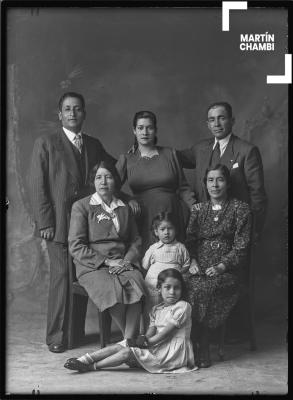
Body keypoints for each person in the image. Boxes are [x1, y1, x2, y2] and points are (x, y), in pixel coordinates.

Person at [28, 92, 117, 353]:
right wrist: (45, 221)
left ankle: (74, 334)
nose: (72, 113)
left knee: (81, 274)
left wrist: (134, 152)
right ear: (59, 114)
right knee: (62, 277)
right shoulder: (46, 142)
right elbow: (37, 185)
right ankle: (57, 336)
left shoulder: (93, 144)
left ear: (84, 113)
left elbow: (113, 169)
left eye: (77, 109)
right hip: (57, 223)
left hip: (86, 223)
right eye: (67, 109)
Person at [68, 161, 146, 341]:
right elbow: (76, 245)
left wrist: (127, 260)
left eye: (108, 177)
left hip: (122, 261)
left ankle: (127, 344)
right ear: (93, 182)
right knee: (112, 290)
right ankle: (131, 344)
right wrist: (108, 262)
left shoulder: (123, 207)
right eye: (98, 178)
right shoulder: (82, 206)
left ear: (116, 182)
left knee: (137, 283)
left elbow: (136, 239)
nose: (103, 182)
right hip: (93, 265)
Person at [64, 268, 197, 374]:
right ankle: (82, 360)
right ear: (159, 289)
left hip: (171, 354)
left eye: (177, 288)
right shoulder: (157, 309)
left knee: (127, 351)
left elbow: (165, 334)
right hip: (157, 346)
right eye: (167, 287)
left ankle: (92, 366)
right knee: (122, 344)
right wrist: (143, 338)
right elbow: (152, 330)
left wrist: (145, 343)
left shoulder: (183, 306)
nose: (172, 292)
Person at [185, 164, 252, 368]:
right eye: (210, 180)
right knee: (186, 283)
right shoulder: (198, 209)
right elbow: (190, 241)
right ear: (205, 184)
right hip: (200, 266)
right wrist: (193, 262)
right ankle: (187, 343)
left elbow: (242, 246)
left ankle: (202, 343)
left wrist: (223, 265)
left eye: (220, 180)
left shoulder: (240, 208)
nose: (215, 185)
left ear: (228, 183)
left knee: (205, 287)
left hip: (227, 269)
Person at [178, 101, 267, 243]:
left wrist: (253, 230)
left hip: (235, 229)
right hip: (203, 228)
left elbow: (258, 195)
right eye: (212, 120)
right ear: (208, 124)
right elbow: (172, 157)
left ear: (232, 121)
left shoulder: (247, 151)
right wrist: (143, 147)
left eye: (222, 118)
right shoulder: (200, 148)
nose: (217, 124)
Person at [116, 111, 196, 254]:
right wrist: (129, 199)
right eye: (140, 128)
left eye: (149, 127)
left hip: (171, 213)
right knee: (148, 259)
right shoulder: (127, 159)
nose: (145, 132)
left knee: (174, 258)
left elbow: (183, 187)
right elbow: (111, 188)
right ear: (134, 131)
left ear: (155, 130)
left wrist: (195, 210)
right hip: (143, 216)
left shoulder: (170, 154)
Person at [142, 212, 190, 310]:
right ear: (156, 232)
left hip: (172, 285)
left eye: (170, 228)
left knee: (170, 308)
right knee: (152, 307)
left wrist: (180, 272)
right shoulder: (153, 248)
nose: (166, 232)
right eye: (162, 229)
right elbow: (145, 265)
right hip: (154, 285)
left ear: (176, 230)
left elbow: (186, 264)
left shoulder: (180, 247)